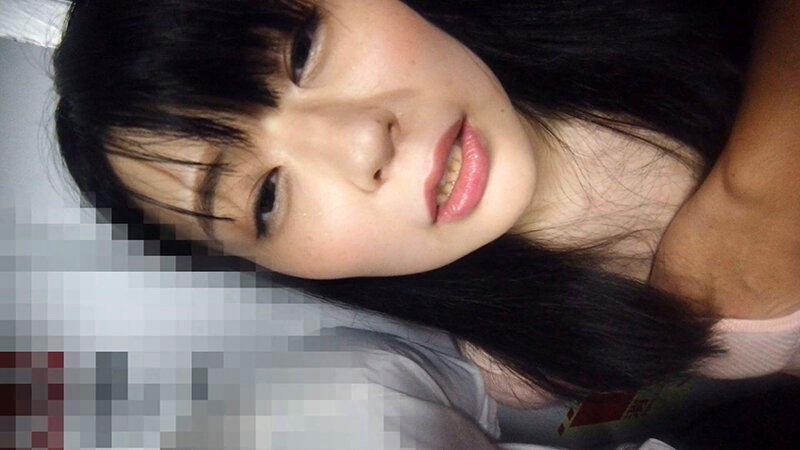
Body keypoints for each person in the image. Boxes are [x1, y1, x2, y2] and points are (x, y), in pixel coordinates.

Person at [52, 0, 788, 409]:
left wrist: (747, 198)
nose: (360, 142)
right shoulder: (527, 364)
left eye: (302, 50)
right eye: (266, 196)